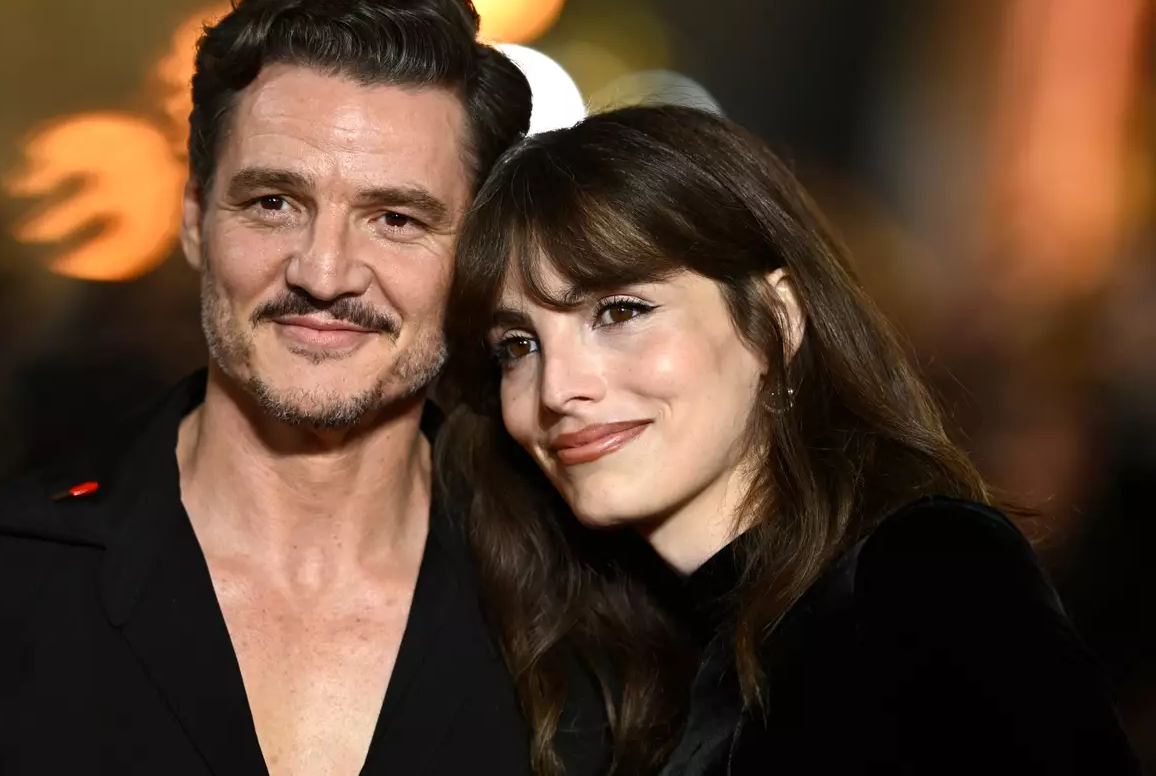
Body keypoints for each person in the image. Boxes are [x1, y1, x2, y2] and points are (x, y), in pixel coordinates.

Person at [0, 0, 610, 776]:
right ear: (193, 221)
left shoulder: (597, 622)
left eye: (395, 218)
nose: (323, 272)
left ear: (475, 257)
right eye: (272, 203)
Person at [437, 104, 1143, 775]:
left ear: (775, 320)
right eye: (519, 344)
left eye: (620, 310)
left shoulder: (918, 574)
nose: (558, 387)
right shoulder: (614, 655)